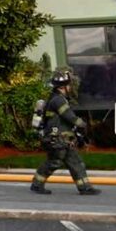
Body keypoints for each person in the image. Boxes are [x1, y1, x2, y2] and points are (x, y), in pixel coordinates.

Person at [31, 68, 100, 196]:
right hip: (57, 139)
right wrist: (82, 124)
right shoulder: (58, 100)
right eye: (68, 85)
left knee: (76, 162)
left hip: (64, 140)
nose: (70, 87)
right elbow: (69, 116)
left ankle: (85, 187)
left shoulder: (58, 98)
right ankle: (36, 184)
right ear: (63, 86)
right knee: (54, 162)